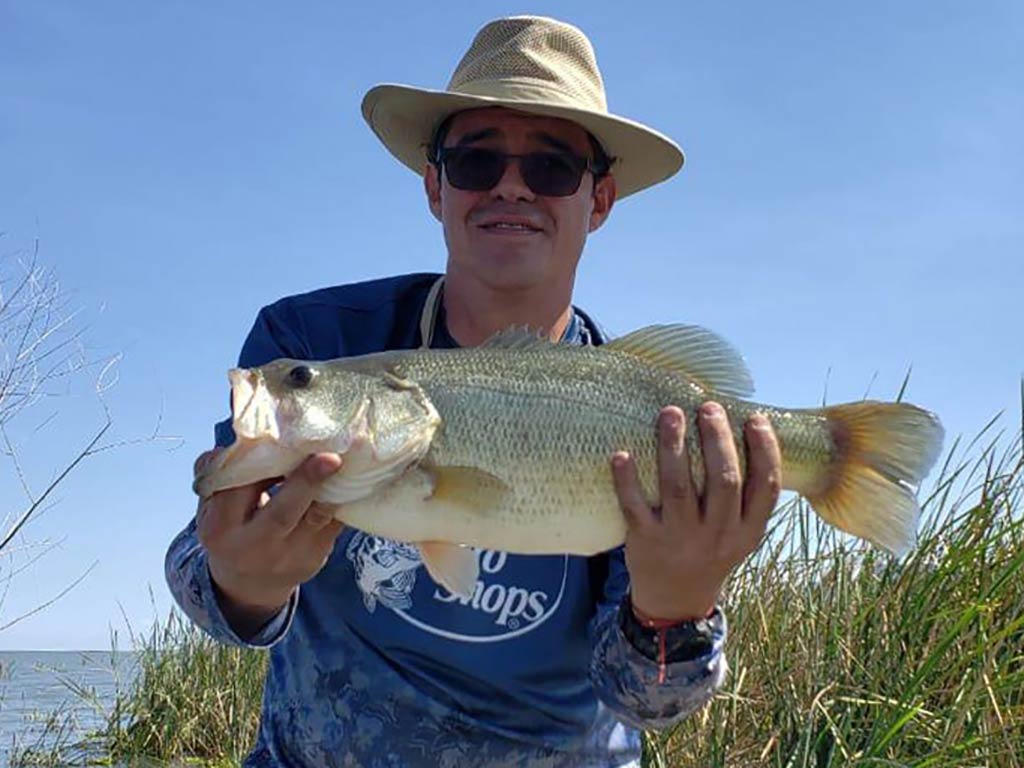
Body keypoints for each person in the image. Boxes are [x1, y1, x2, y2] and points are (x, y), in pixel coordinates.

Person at [166, 15, 781, 768]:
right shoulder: (310, 345)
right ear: (435, 185)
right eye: (476, 161)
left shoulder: (650, 420)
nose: (512, 186)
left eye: (552, 167)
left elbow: (647, 704)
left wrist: (677, 607)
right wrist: (238, 584)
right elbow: (206, 578)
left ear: (600, 200)